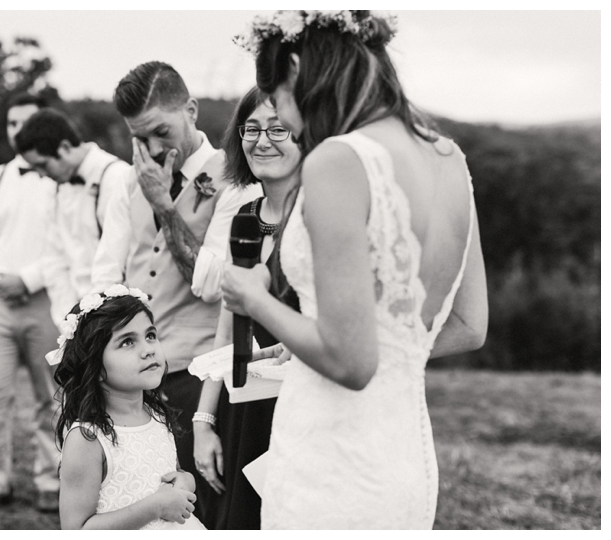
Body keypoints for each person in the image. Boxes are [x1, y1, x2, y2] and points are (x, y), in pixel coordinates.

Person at [223, 11, 488, 529]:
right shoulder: (447, 157)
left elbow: (352, 362)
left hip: (331, 457)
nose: (285, 121)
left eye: (275, 98)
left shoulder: (337, 161)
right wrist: (304, 341)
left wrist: (255, 298)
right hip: (404, 456)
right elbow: (468, 327)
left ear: (297, 69)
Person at [91, 61, 262, 526]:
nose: (150, 147)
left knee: (198, 504)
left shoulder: (236, 179)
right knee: (139, 498)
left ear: (190, 110)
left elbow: (211, 283)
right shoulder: (129, 180)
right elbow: (107, 269)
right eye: (138, 136)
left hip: (197, 370)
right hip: (129, 375)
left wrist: (164, 206)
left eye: (160, 131)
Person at [192, 86, 301, 530]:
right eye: (251, 128)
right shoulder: (243, 220)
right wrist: (205, 420)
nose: (261, 140)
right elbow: (226, 328)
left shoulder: (319, 220)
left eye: (278, 128)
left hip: (300, 409)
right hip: (245, 407)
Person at [0, 94, 60, 512]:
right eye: (11, 123)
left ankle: (52, 481)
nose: (17, 130)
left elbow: (67, 244)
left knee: (53, 397)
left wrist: (29, 278)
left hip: (47, 300)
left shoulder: (61, 177)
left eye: (26, 122)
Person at [49, 285, 205, 530]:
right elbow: (77, 529)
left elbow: (166, 474)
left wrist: (185, 480)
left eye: (150, 335)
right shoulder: (87, 438)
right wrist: (154, 507)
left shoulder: (156, 414)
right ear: (95, 366)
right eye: (127, 342)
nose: (148, 349)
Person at [15, 108, 130, 326]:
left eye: (42, 164)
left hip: (116, 316)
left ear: (65, 147)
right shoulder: (56, 189)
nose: (41, 175)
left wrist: (102, 320)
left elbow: (125, 259)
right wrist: (67, 322)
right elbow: (55, 260)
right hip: (77, 319)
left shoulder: (116, 177)